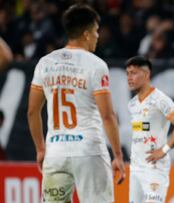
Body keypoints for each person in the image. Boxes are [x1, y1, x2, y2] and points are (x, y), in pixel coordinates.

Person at [27, 4, 126, 203]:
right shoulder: (96, 65)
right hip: (89, 152)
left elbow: (32, 111)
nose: (98, 36)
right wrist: (117, 155)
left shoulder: (45, 63)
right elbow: (107, 116)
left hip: (56, 153)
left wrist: (40, 149)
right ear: (87, 34)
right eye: (96, 31)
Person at [126, 56, 174, 203]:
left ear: (147, 74)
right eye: (127, 73)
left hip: (154, 169)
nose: (129, 77)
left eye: (134, 73)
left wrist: (164, 149)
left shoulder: (159, 99)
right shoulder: (132, 104)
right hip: (135, 169)